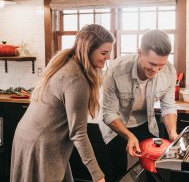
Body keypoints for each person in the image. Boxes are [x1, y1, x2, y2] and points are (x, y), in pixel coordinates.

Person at [10, 24, 114, 182]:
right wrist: (97, 175)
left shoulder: (68, 62)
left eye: (109, 53)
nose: (108, 57)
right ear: (88, 50)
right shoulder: (76, 78)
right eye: (104, 53)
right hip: (41, 143)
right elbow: (78, 133)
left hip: (29, 136)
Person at [99, 30, 178, 181]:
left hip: (146, 123)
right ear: (140, 53)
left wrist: (172, 132)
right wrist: (129, 136)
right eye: (152, 64)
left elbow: (168, 106)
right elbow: (108, 113)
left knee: (152, 172)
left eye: (160, 65)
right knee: (119, 174)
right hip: (116, 125)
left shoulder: (168, 71)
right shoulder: (116, 70)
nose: (156, 70)